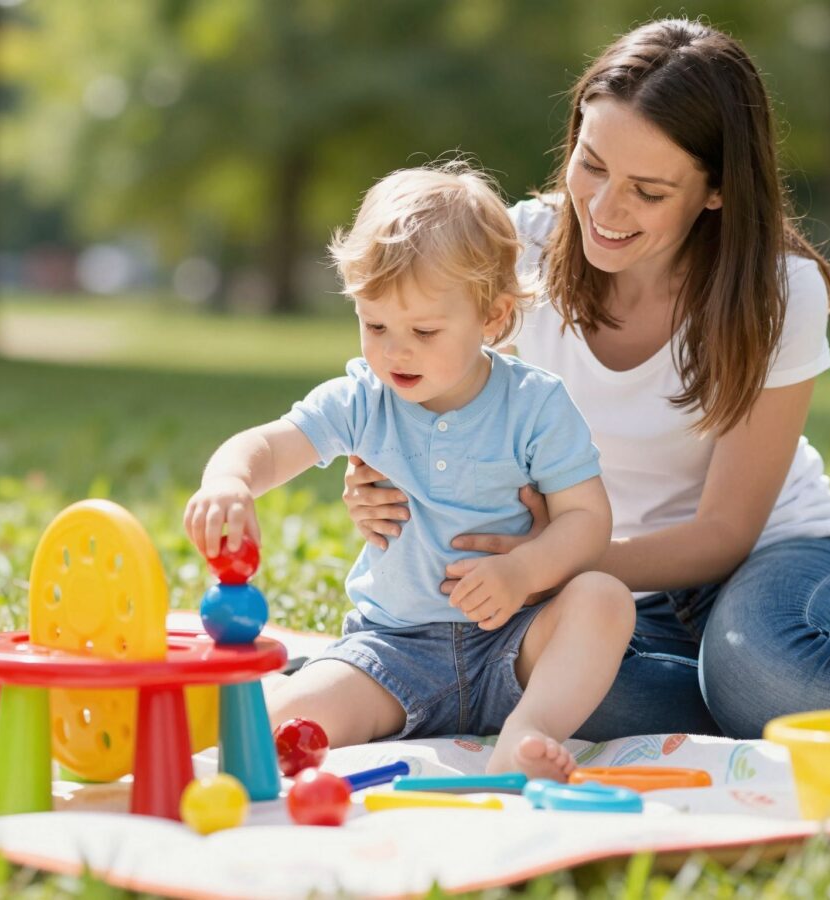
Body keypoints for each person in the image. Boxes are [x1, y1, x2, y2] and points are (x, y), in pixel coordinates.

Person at [342, 18, 830, 741]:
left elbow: (725, 531)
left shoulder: (778, 291)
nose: (603, 209)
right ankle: (756, 697)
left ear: (716, 192)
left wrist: (549, 559)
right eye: (591, 164)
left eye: (649, 191)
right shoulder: (514, 255)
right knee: (559, 689)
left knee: (761, 668)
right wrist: (377, 479)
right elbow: (416, 380)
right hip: (597, 585)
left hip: (772, 558)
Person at [184, 164, 636, 780]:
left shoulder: (536, 403)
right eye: (375, 325)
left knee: (604, 599)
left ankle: (525, 734)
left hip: (514, 640)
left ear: (494, 320)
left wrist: (522, 569)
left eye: (424, 330)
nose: (395, 350)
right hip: (392, 653)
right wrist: (228, 481)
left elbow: (588, 520)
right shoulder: (363, 398)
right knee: (266, 729)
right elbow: (267, 445)